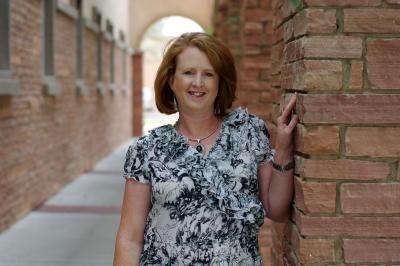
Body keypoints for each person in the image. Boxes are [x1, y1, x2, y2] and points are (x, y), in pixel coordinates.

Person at [113, 32, 298, 266]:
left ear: (220, 82)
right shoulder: (148, 150)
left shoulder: (248, 133)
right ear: (171, 80)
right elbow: (130, 238)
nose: (198, 82)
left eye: (208, 74)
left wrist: (283, 148)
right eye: (188, 72)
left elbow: (277, 210)